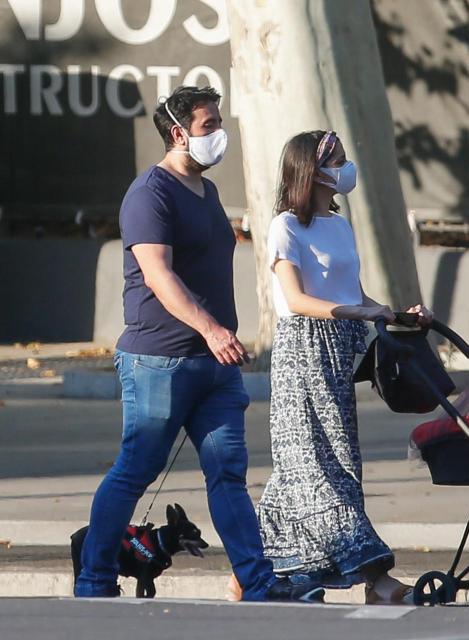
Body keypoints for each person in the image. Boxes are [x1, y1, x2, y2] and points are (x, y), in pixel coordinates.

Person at [74, 86, 321, 603]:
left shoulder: (205, 193)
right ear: (179, 133)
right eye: (209, 126)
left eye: (218, 122)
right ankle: (94, 580)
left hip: (215, 366)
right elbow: (158, 275)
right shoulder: (149, 194)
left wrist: (217, 338)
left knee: (228, 474)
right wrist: (211, 328)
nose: (219, 135)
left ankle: (258, 583)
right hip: (158, 362)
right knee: (136, 470)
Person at [240, 130, 430, 604]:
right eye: (338, 159)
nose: (347, 167)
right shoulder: (286, 226)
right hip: (303, 351)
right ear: (313, 169)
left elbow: (354, 294)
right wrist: (359, 314)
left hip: (340, 351)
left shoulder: (339, 226)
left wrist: (392, 313)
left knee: (310, 466)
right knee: (317, 465)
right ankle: (376, 578)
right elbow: (297, 300)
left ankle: (255, 573)